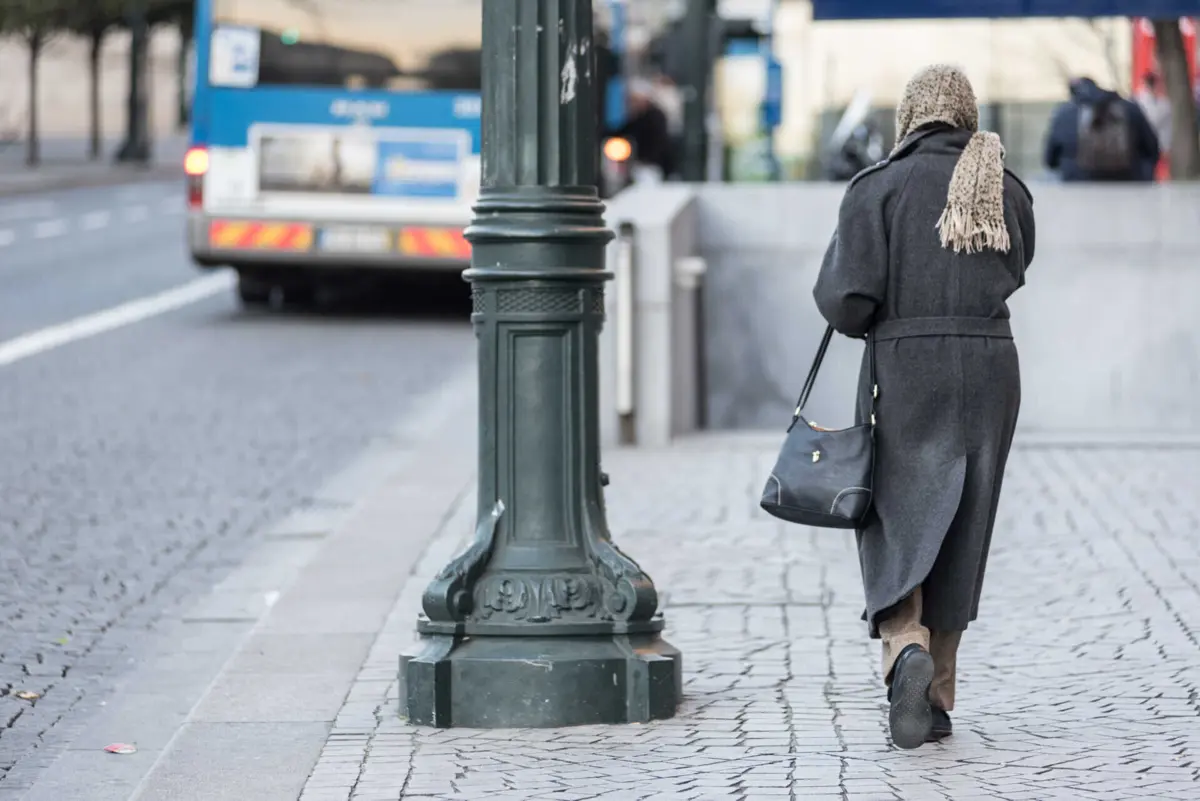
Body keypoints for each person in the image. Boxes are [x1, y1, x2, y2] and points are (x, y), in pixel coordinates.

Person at [812, 64, 1036, 750]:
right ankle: (937, 692)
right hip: (991, 366)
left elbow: (845, 299)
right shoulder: (1005, 186)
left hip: (906, 369)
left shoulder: (878, 187)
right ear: (966, 114)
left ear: (910, 116)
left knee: (896, 515)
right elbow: (1019, 266)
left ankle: (903, 643)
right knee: (967, 520)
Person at [1044, 76, 1159, 181]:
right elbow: (1152, 149)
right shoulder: (1130, 108)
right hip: (1128, 183)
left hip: (1077, 184)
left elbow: (1050, 160)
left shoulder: (1064, 113)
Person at [613, 78, 676, 179]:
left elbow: (658, 143)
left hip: (653, 165)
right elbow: (624, 130)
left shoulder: (653, 117)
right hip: (646, 163)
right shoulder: (641, 117)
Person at [1135, 72, 1173, 154]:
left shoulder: (1163, 102)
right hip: (1153, 146)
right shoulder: (1142, 100)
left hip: (1158, 147)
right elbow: (1153, 121)